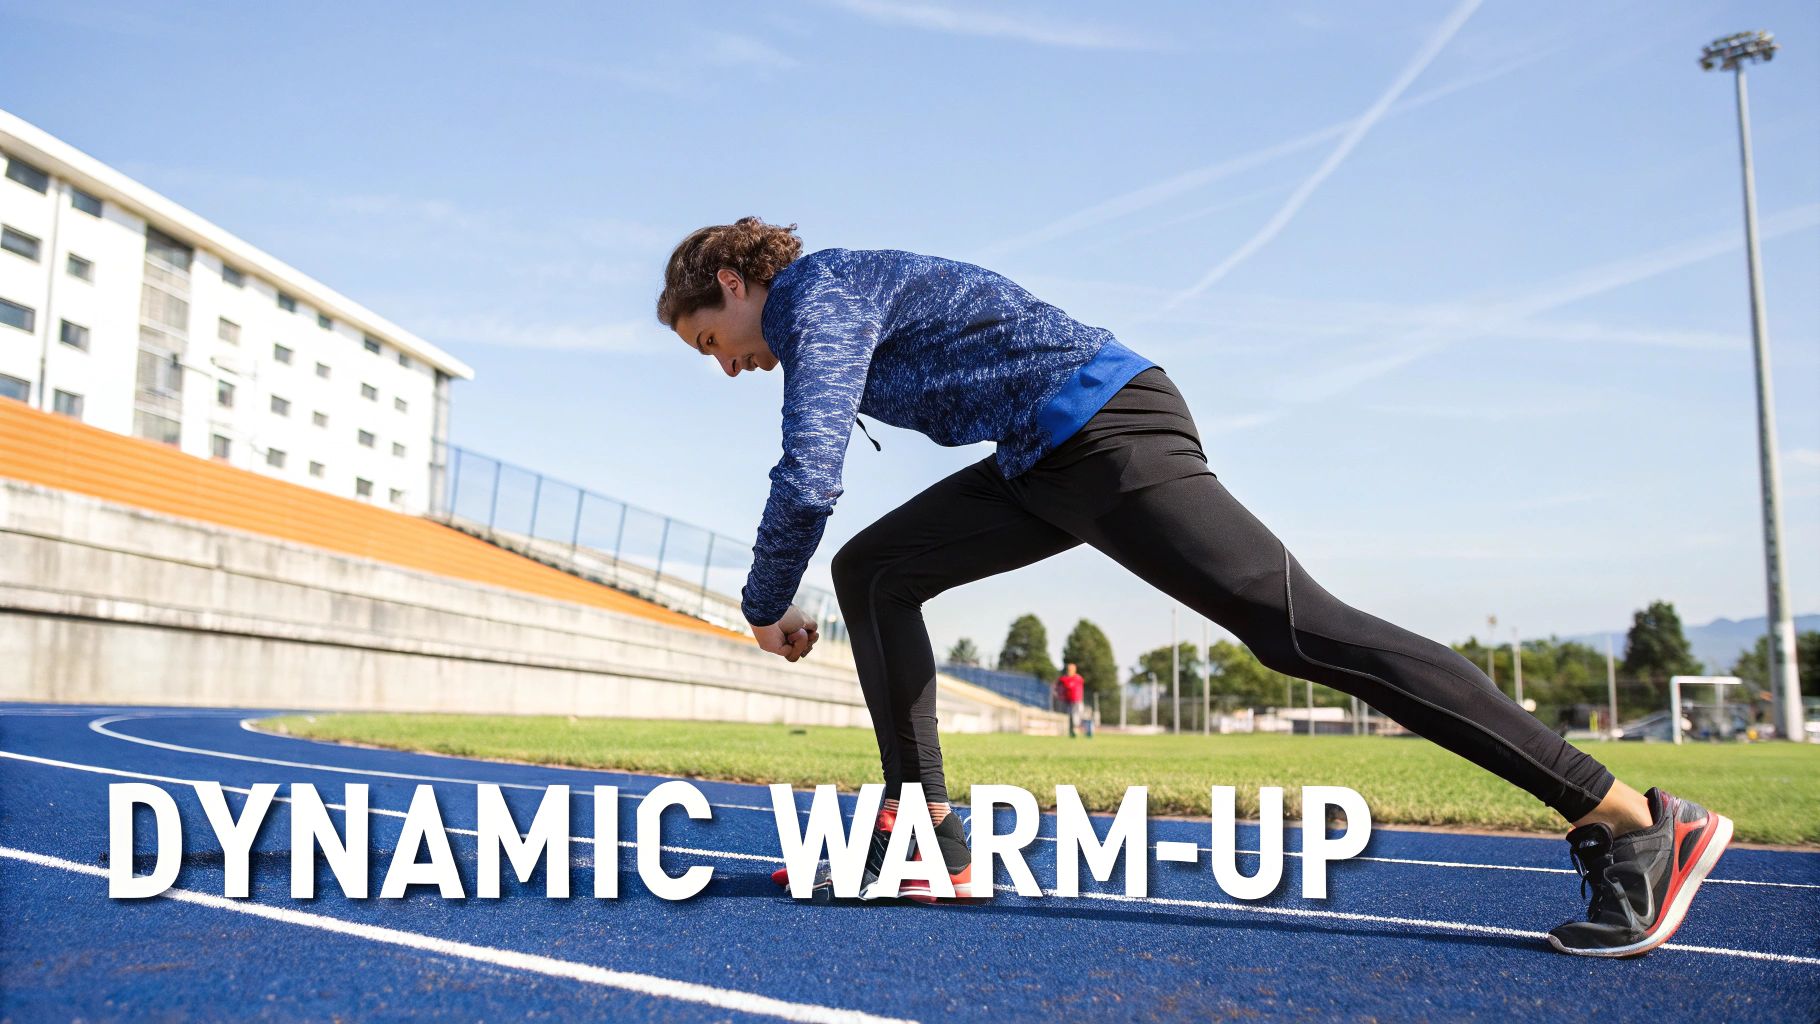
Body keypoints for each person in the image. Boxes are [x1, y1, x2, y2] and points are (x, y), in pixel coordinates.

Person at [657, 218, 1732, 953]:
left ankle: (1633, 819)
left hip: (1102, 430)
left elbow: (810, 467)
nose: (723, 365)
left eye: (711, 340)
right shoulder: (825, 298)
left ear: (739, 285)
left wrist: (762, 599)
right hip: (1047, 454)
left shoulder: (815, 295)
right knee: (874, 569)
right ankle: (922, 835)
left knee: (1302, 631)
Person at [1055, 663, 1088, 738]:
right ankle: (1071, 731)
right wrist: (1059, 694)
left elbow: (1075, 687)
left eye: (1071, 669)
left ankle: (1083, 731)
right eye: (1069, 669)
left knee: (1077, 716)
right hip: (1067, 701)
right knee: (1070, 716)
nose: (1070, 671)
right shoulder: (1063, 679)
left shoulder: (1078, 678)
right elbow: (1057, 686)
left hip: (1077, 700)